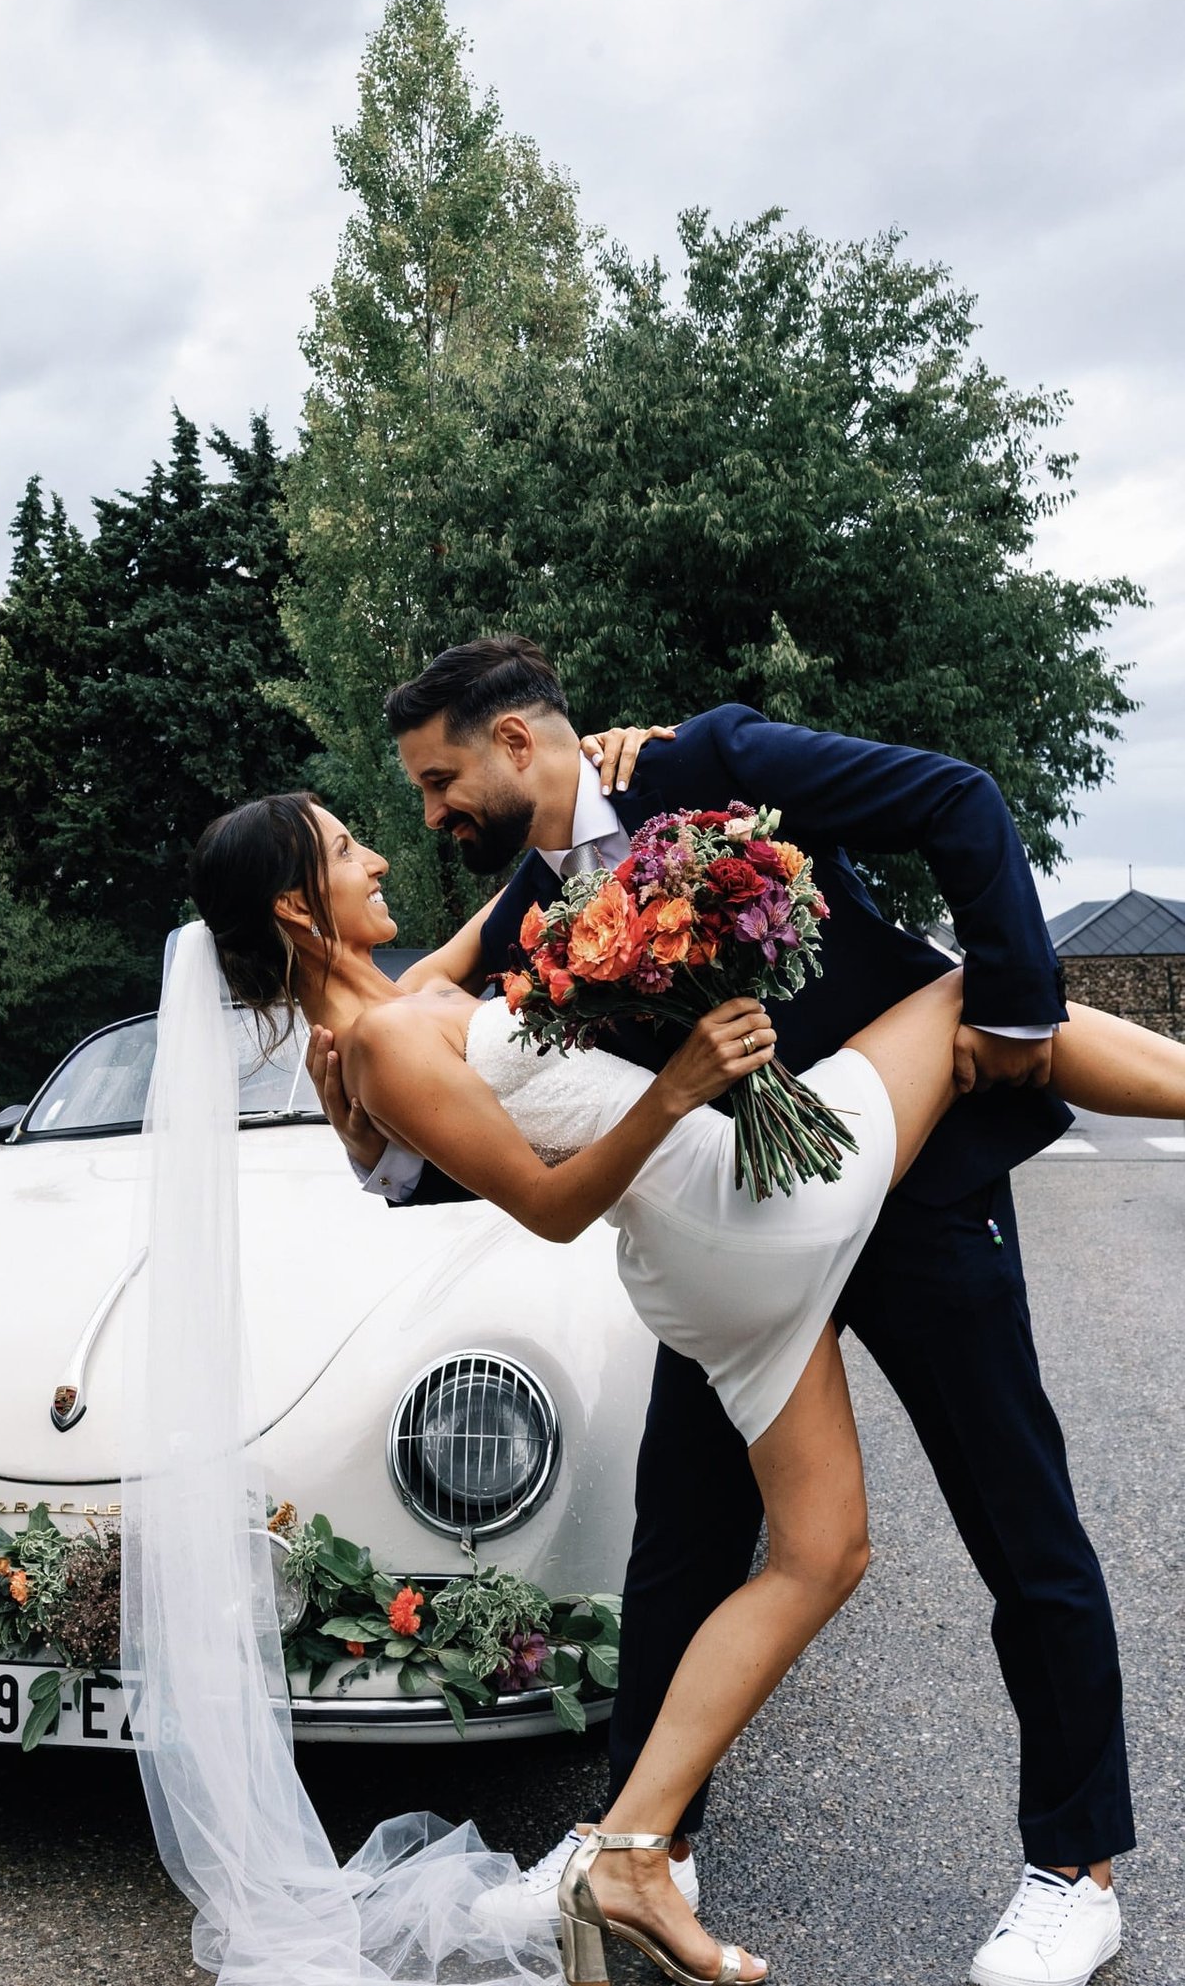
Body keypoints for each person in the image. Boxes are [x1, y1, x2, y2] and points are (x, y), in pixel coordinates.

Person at [299, 637, 1135, 1986]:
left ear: (516, 741)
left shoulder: (710, 763)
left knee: (1018, 1521)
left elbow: (959, 800)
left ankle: (1074, 1871)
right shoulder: (527, 912)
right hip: (736, 1235)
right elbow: (486, 1122)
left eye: (441, 781)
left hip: (911, 1188)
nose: (432, 814)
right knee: (682, 1542)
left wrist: (1020, 1012)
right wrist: (363, 1118)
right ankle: (649, 1843)